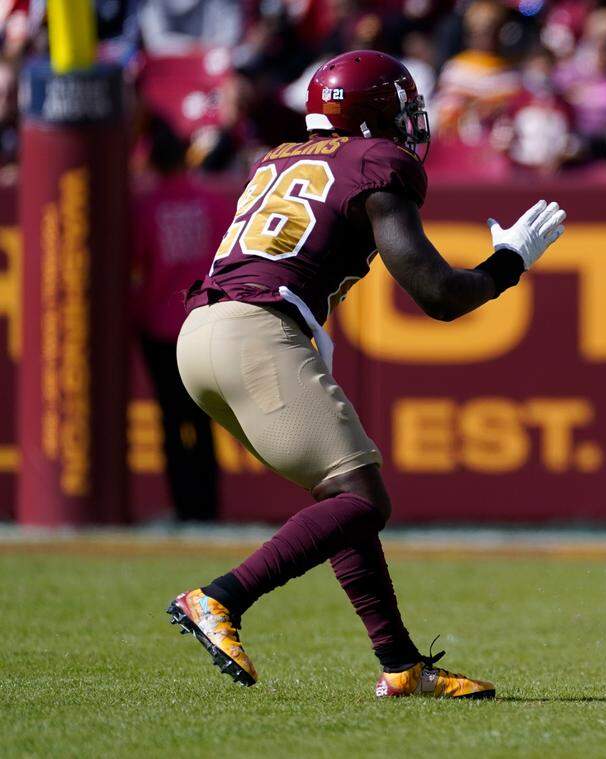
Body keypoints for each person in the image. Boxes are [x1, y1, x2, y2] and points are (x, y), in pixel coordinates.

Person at [166, 50, 566, 699]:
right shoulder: (377, 162)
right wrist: (508, 261)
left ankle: (402, 664)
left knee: (343, 499)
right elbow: (437, 294)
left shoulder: (276, 157)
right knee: (363, 499)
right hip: (255, 332)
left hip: (204, 333)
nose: (412, 126)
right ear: (378, 114)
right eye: (403, 111)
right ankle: (219, 596)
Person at [132, 116, 224, 522]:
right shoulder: (211, 203)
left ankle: (185, 508)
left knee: (172, 421)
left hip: (159, 326)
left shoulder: (146, 208)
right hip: (204, 322)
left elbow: (136, 264)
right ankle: (208, 508)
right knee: (204, 419)